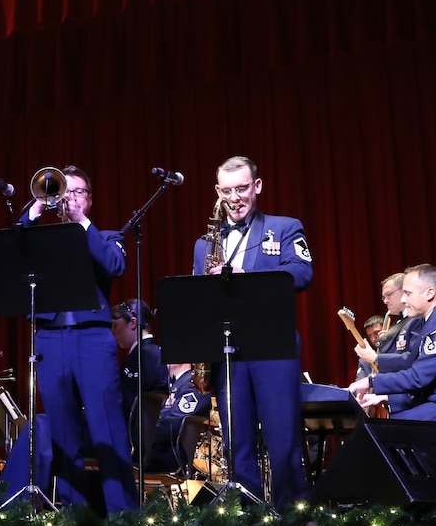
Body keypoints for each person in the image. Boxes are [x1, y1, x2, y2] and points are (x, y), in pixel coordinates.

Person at [193, 155, 313, 505]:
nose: (235, 197)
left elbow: (303, 274)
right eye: (227, 190)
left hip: (273, 351)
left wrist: (252, 280)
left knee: (283, 441)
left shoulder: (286, 227)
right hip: (229, 354)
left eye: (242, 188)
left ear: (257, 186)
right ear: (218, 192)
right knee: (237, 444)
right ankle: (248, 522)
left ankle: (292, 519)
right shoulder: (204, 245)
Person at [18, 167, 137, 513]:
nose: (69, 197)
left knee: (106, 429)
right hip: (50, 340)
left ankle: (124, 518)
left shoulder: (107, 236)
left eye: (78, 191)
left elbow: (114, 265)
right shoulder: (44, 238)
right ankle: (73, 517)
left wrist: (83, 222)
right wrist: (34, 212)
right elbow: (15, 249)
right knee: (63, 433)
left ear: (89, 199)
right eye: (63, 191)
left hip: (92, 338)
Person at [349, 264, 436, 423]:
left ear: (429, 293)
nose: (403, 299)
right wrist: (386, 397)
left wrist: (370, 380)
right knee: (383, 426)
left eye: (408, 293)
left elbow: (418, 377)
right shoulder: (435, 320)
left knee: (385, 430)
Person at [112, 298, 166, 465]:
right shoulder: (149, 352)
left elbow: (125, 402)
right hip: (135, 438)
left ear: (133, 323)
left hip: (130, 441)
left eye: (115, 325)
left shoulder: (146, 355)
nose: (112, 332)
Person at [148, 361, 211, 475]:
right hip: (156, 449)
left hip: (166, 454)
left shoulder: (193, 386)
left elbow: (173, 424)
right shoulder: (174, 384)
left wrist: (139, 433)